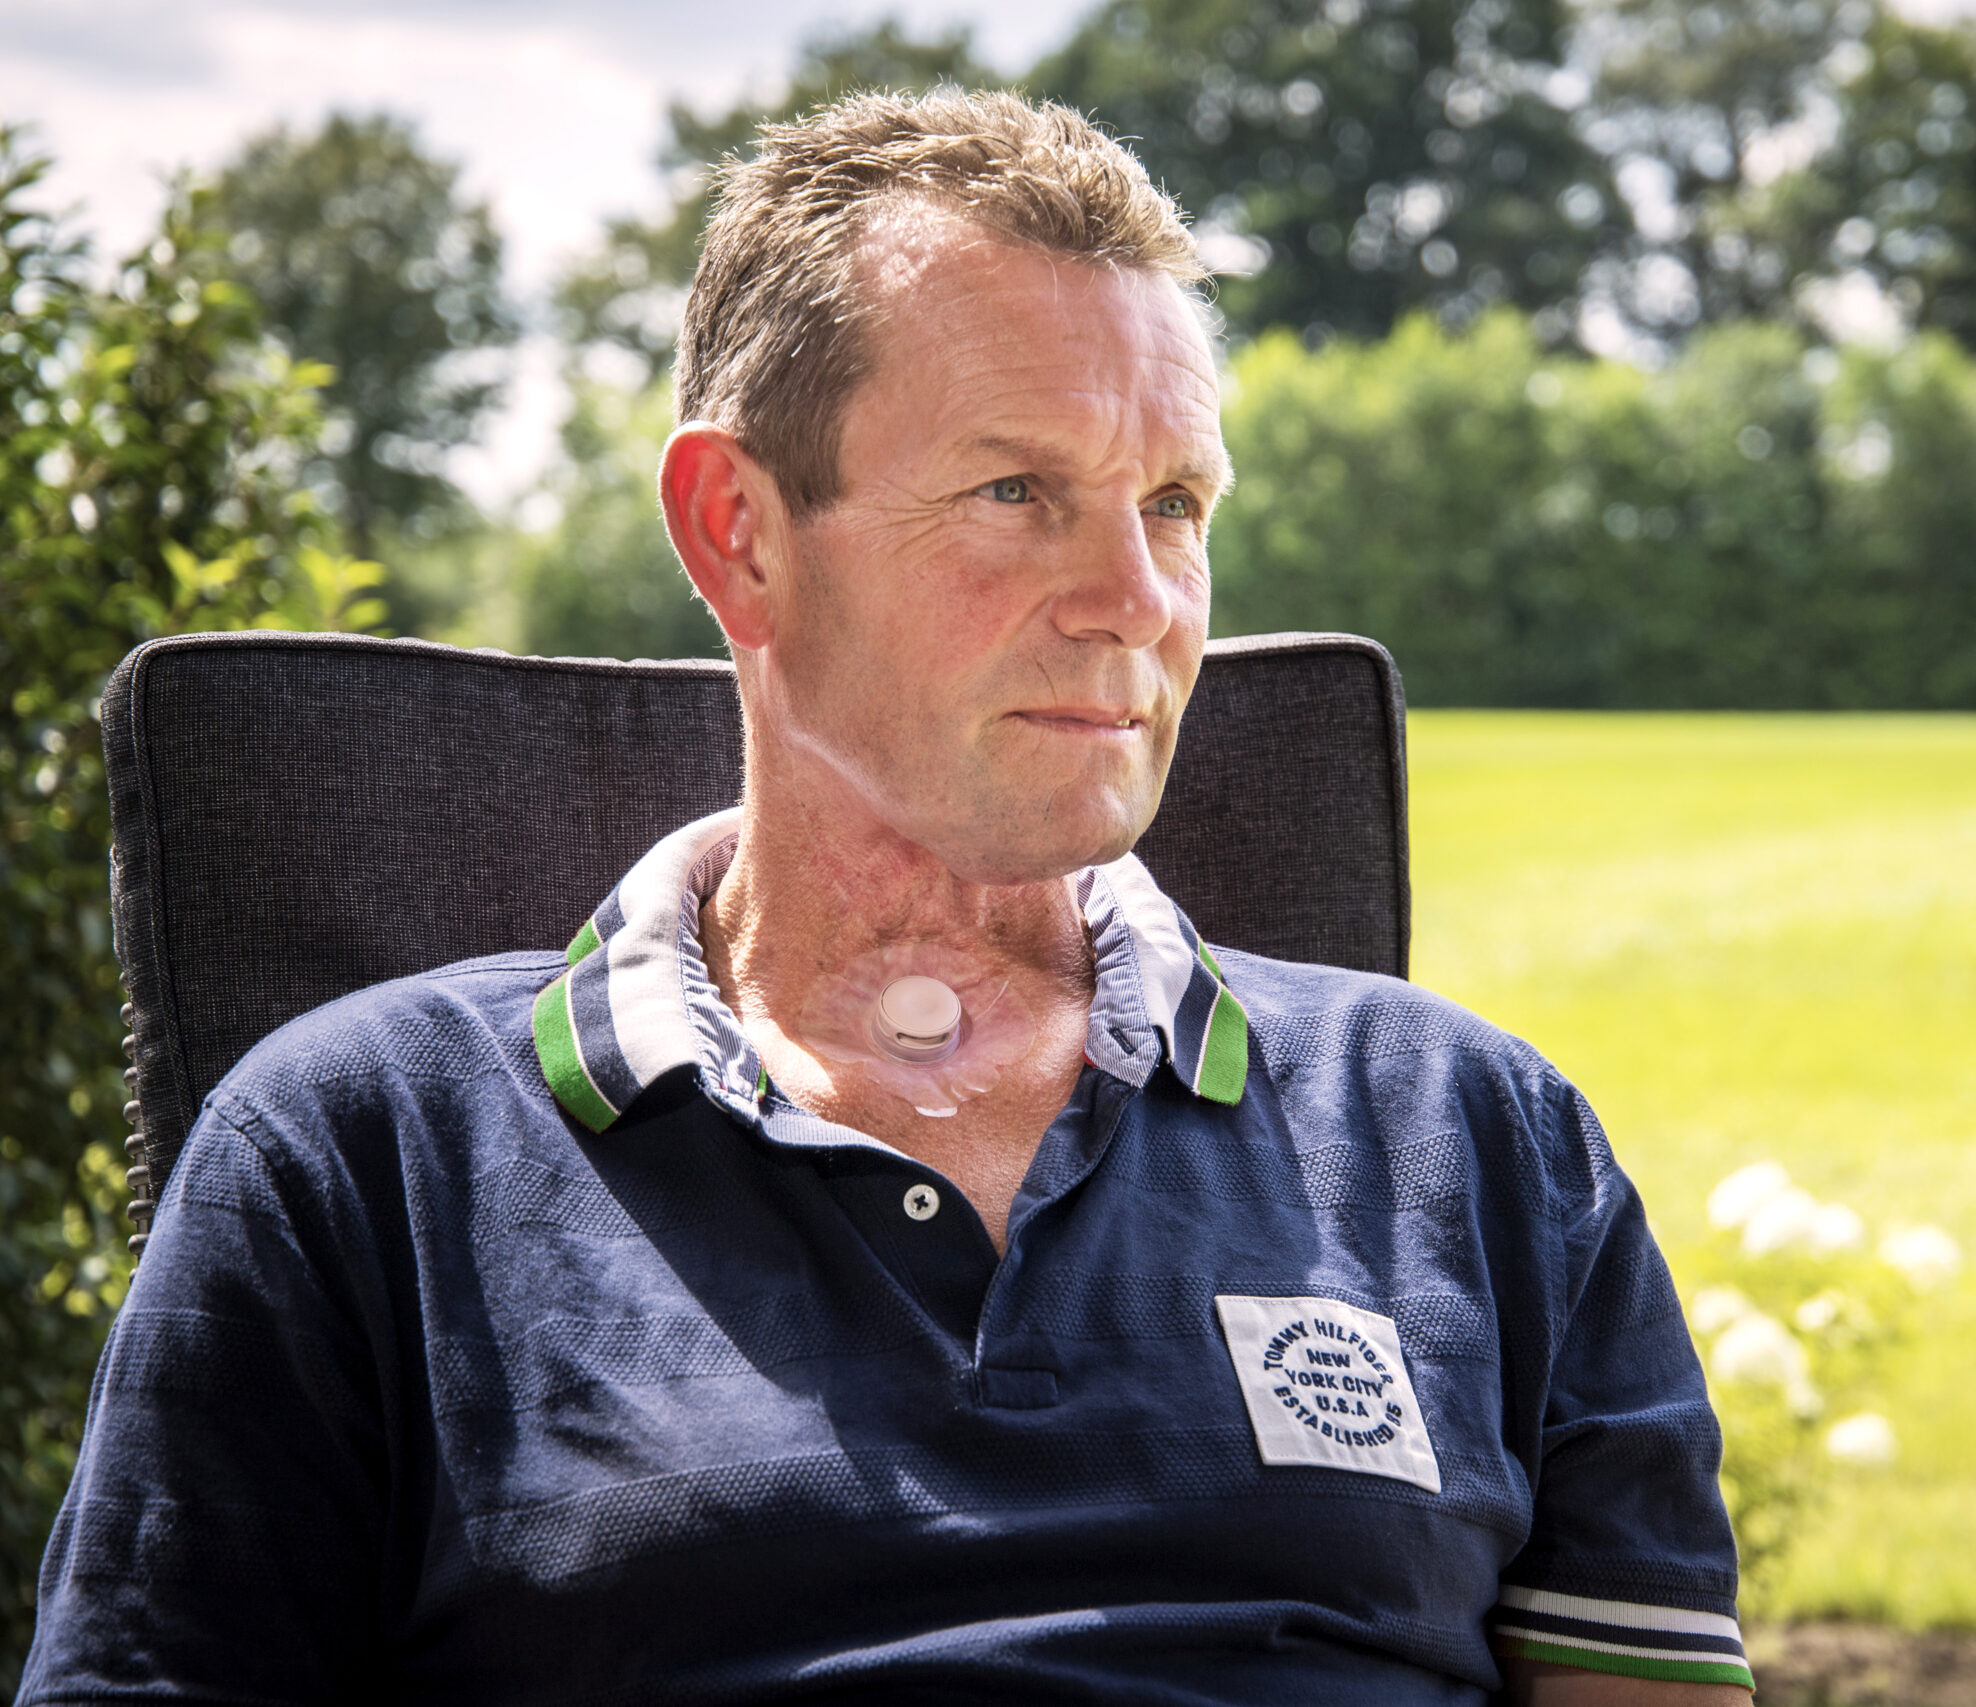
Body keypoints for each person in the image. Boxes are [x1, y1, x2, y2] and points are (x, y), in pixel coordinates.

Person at [19, 90, 1750, 1706]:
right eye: (1020, 493)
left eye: (1174, 503)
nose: (1137, 599)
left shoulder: (1481, 1142)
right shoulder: (360, 1152)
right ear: (741, 534)